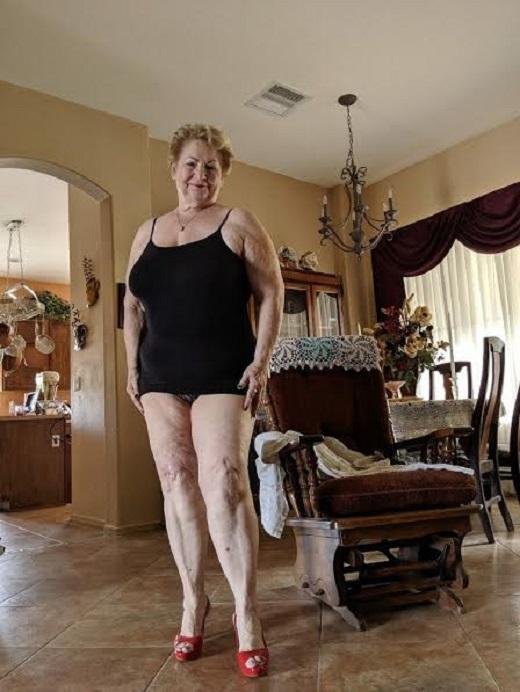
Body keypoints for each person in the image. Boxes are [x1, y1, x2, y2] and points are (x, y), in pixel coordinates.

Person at [124, 123, 284, 678]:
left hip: (224, 369)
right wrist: (131, 365)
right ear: (174, 169)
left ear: (222, 175)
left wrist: (261, 361)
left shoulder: (238, 223)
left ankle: (246, 611)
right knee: (175, 479)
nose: (201, 175)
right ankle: (194, 600)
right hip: (159, 373)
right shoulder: (146, 233)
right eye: (191, 164)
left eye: (212, 167)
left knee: (225, 479)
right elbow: (132, 306)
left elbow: (271, 291)